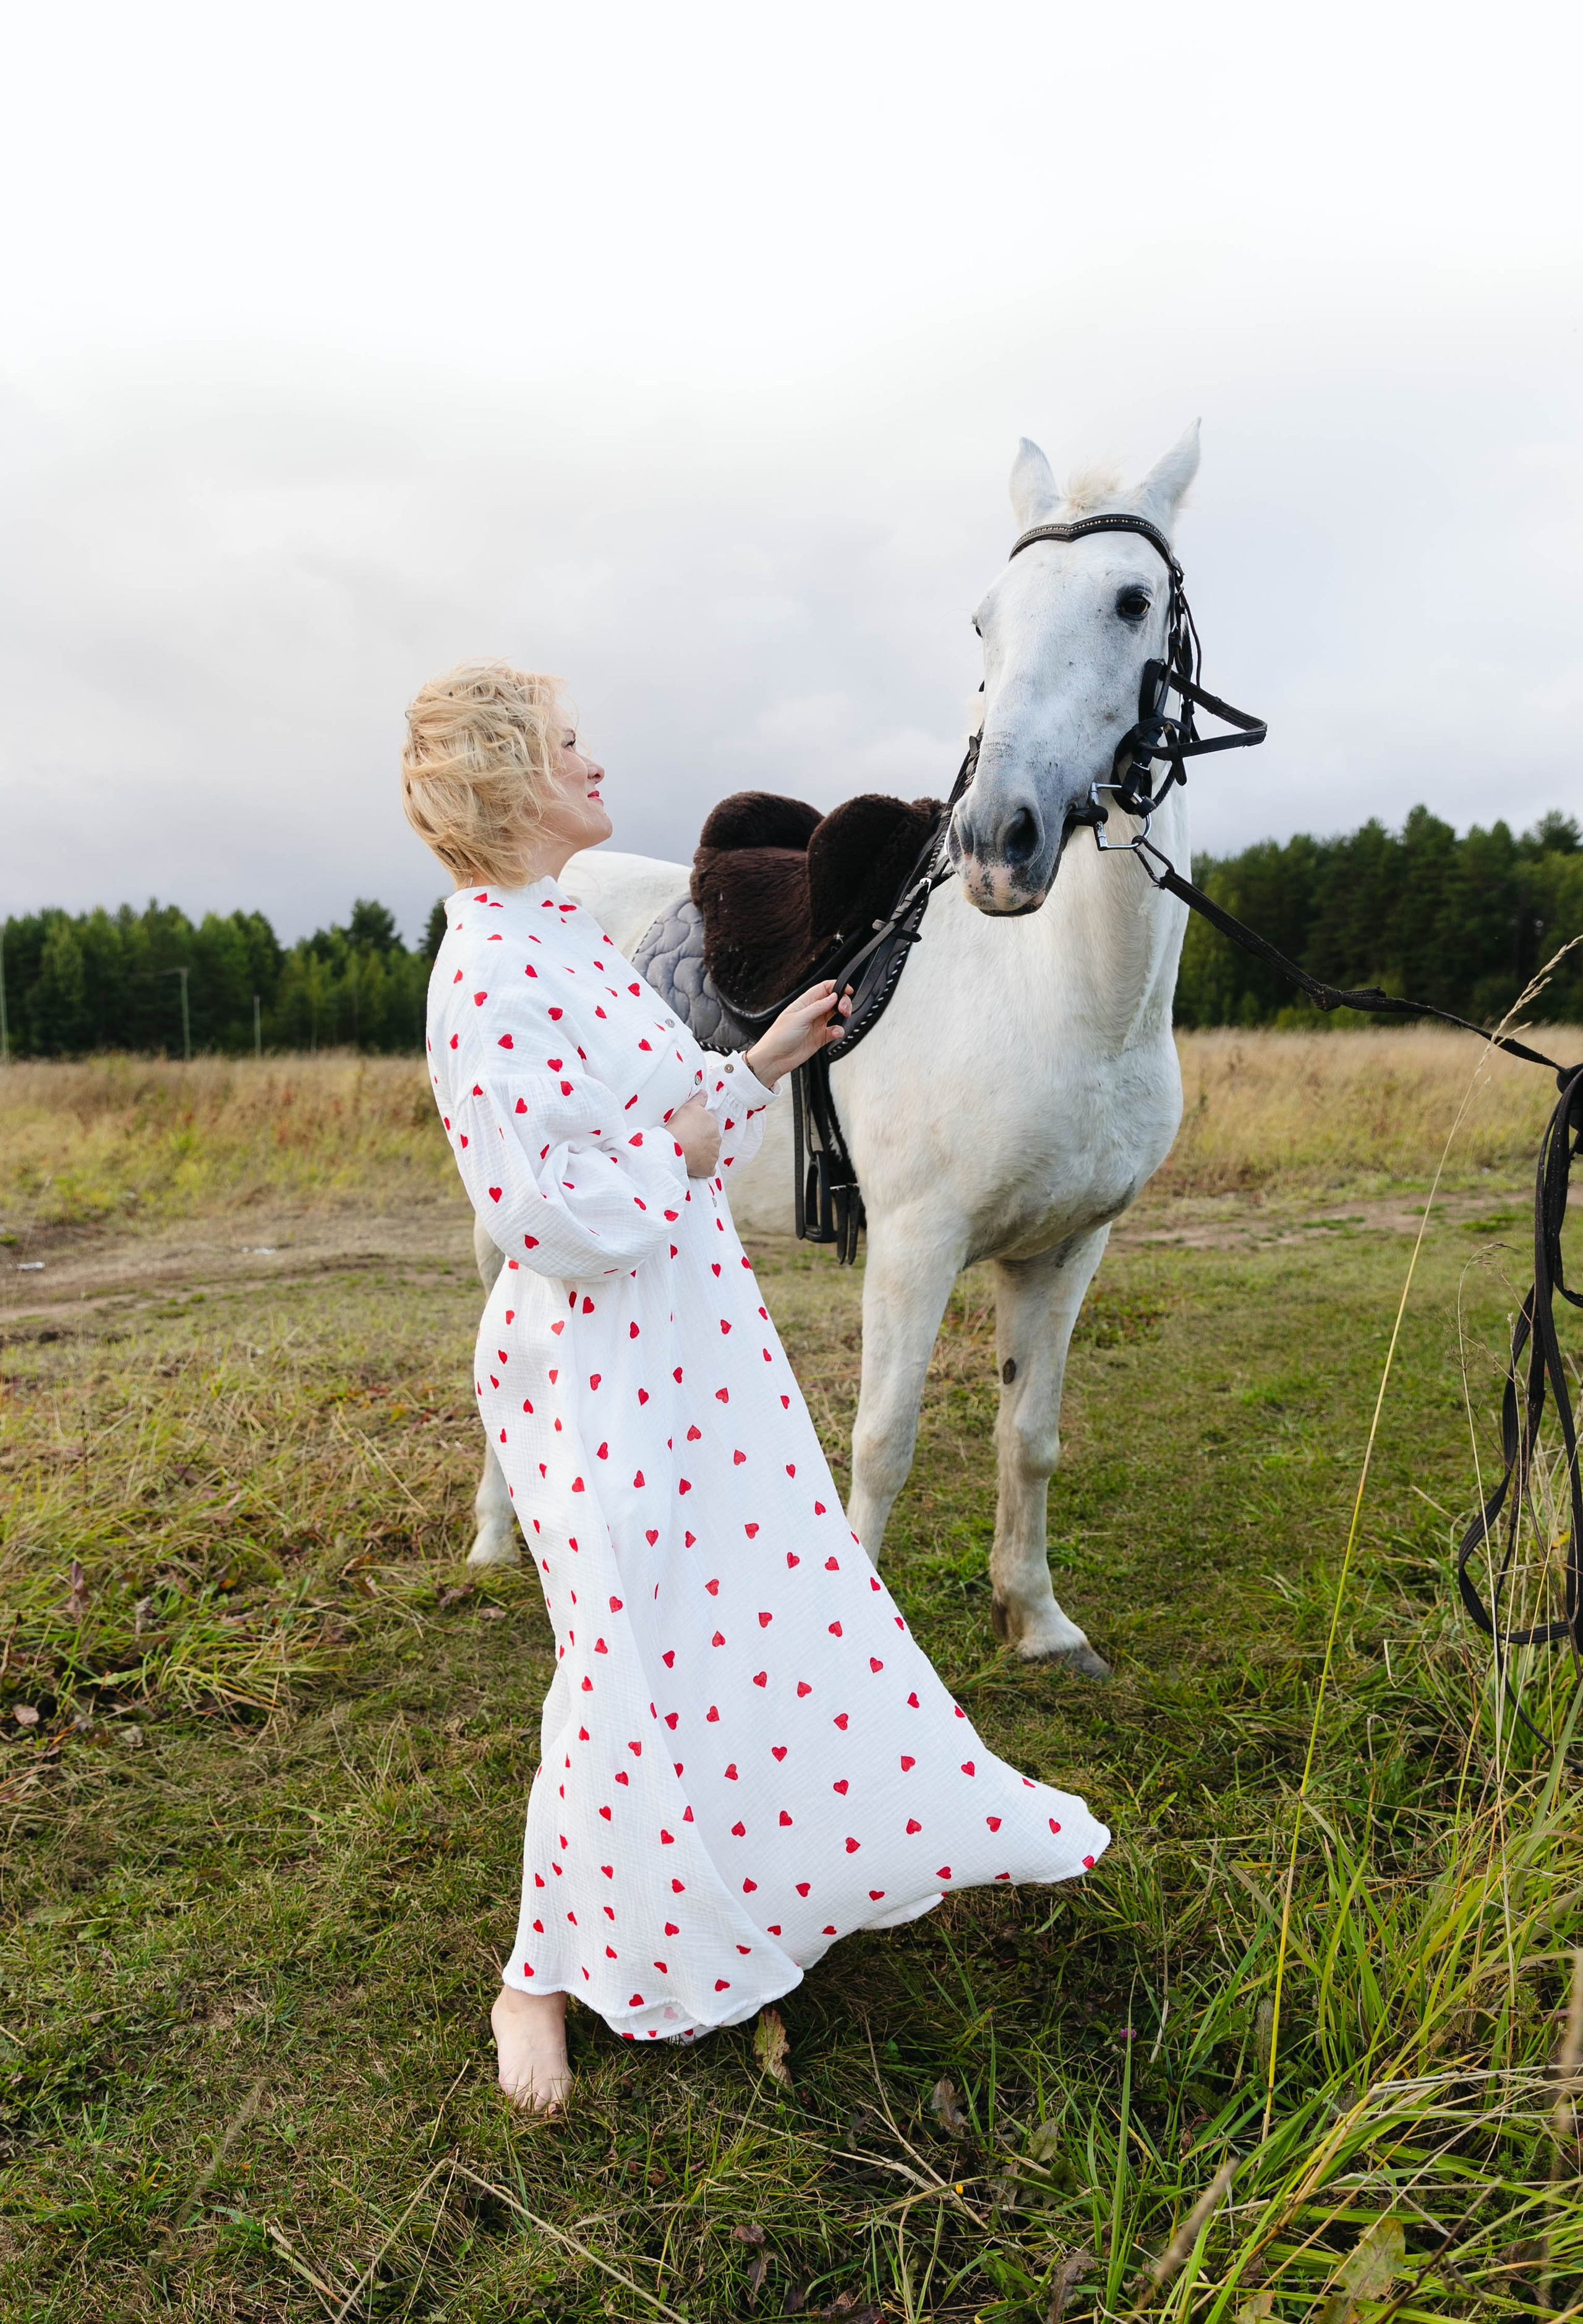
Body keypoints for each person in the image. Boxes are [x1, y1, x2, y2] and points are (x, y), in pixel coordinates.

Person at [403, 660, 1109, 2112]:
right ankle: (531, 1973)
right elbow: (548, 1212)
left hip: (693, 1343)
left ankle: (746, 1884)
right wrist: (681, 1151)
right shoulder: (486, 971)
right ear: (504, 786)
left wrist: (765, 1058)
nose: (599, 766)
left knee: (729, 1625)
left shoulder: (563, 936)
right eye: (569, 748)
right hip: (601, 1368)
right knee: (615, 1659)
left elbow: (667, 1111)